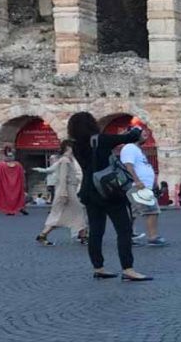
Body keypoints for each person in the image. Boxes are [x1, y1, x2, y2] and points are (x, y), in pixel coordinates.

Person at [67, 112, 152, 281]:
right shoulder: (101, 140)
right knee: (124, 230)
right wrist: (135, 129)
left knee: (96, 231)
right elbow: (130, 137)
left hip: (89, 191)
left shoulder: (75, 145)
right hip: (109, 190)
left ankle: (99, 267)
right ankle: (128, 268)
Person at [35, 140, 88, 246]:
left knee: (66, 213)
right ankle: (83, 236)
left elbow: (50, 170)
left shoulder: (65, 160)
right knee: (78, 212)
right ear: (69, 148)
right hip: (67, 190)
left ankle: (43, 235)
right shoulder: (65, 160)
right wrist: (64, 191)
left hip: (67, 189)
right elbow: (63, 177)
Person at [121, 129, 167, 247]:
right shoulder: (130, 148)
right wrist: (137, 181)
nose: (146, 137)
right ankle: (153, 237)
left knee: (132, 214)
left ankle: (128, 237)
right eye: (143, 135)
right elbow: (128, 165)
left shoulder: (136, 149)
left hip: (143, 185)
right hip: (139, 186)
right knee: (152, 210)